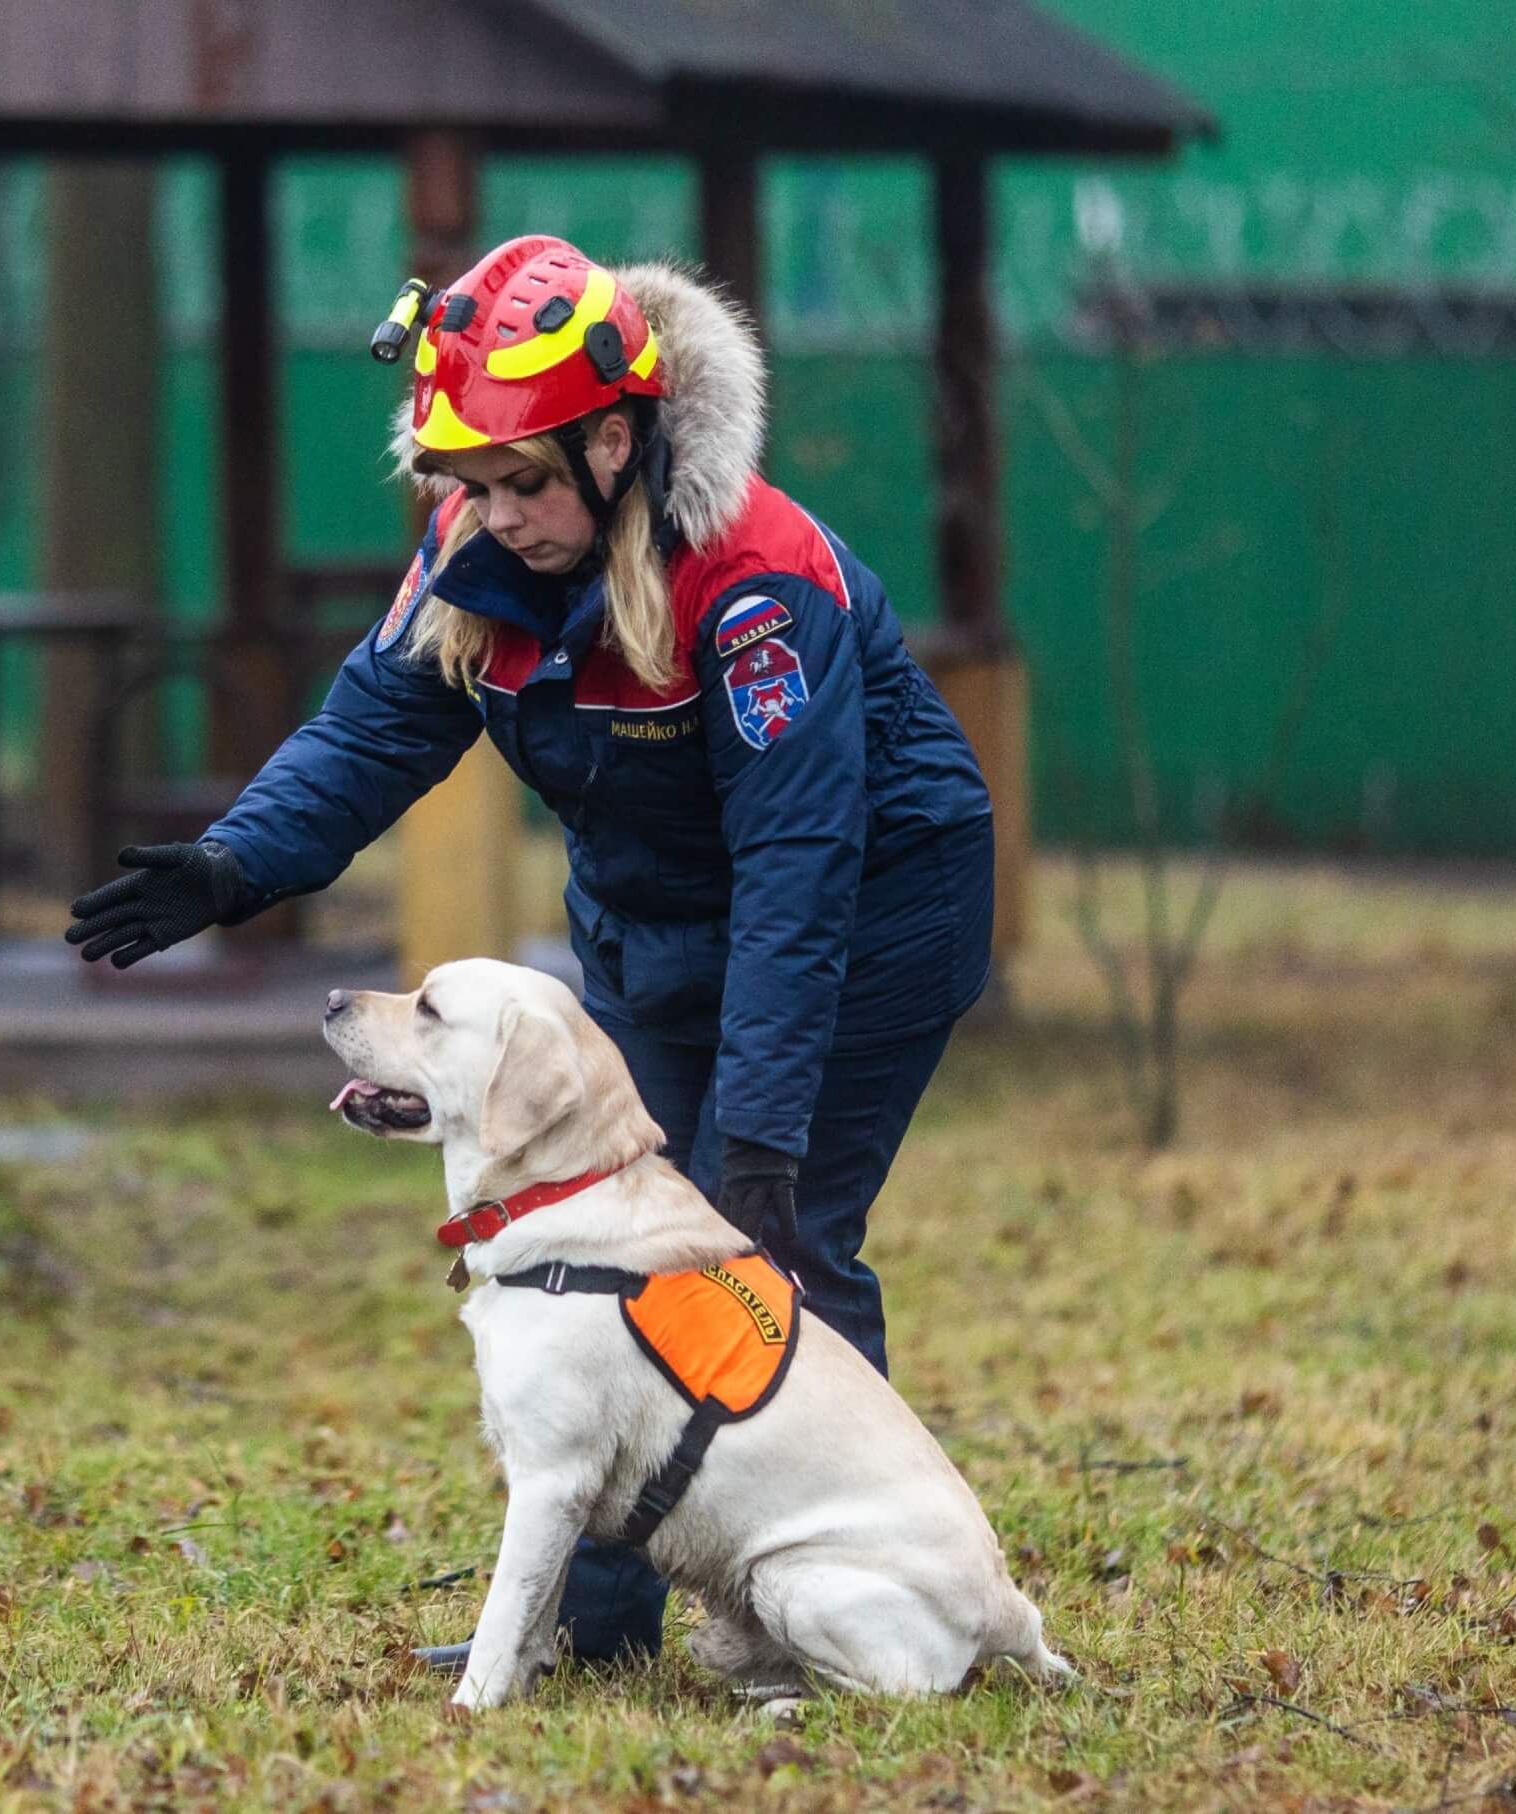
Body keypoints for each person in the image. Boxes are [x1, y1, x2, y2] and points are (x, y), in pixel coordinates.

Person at [66, 235, 995, 1669]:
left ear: (617, 441)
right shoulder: (475, 554)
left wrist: (757, 1139)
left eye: (529, 484)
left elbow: (799, 872)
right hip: (651, 915)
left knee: (777, 1243)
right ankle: (596, 1626)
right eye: (472, 485)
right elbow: (370, 733)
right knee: (604, 1242)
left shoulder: (753, 583)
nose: (498, 517)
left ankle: (852, 1599)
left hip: (870, 915)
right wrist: (231, 862)